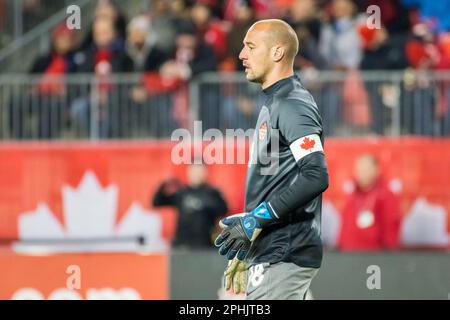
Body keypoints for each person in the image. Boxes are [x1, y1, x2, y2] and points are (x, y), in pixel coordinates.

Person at [214, 19, 329, 300]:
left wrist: (258, 219)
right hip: (272, 251)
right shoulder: (275, 103)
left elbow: (316, 175)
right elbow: (278, 184)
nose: (241, 54)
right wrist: (252, 235)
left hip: (284, 252)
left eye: (250, 47)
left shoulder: (293, 104)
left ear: (277, 52)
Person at [153, 162, 228, 248]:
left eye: (199, 168)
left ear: (205, 171)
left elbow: (224, 211)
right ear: (188, 171)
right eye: (194, 168)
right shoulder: (181, 193)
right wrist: (163, 185)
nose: (196, 172)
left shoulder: (212, 193)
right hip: (182, 246)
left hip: (205, 246)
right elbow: (157, 202)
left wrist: (206, 205)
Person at [338, 154, 401, 251]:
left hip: (374, 255)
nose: (362, 173)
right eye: (359, 169)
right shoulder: (352, 194)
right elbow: (345, 224)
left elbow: (391, 224)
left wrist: (388, 252)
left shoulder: (386, 195)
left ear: (376, 170)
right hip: (348, 252)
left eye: (366, 169)